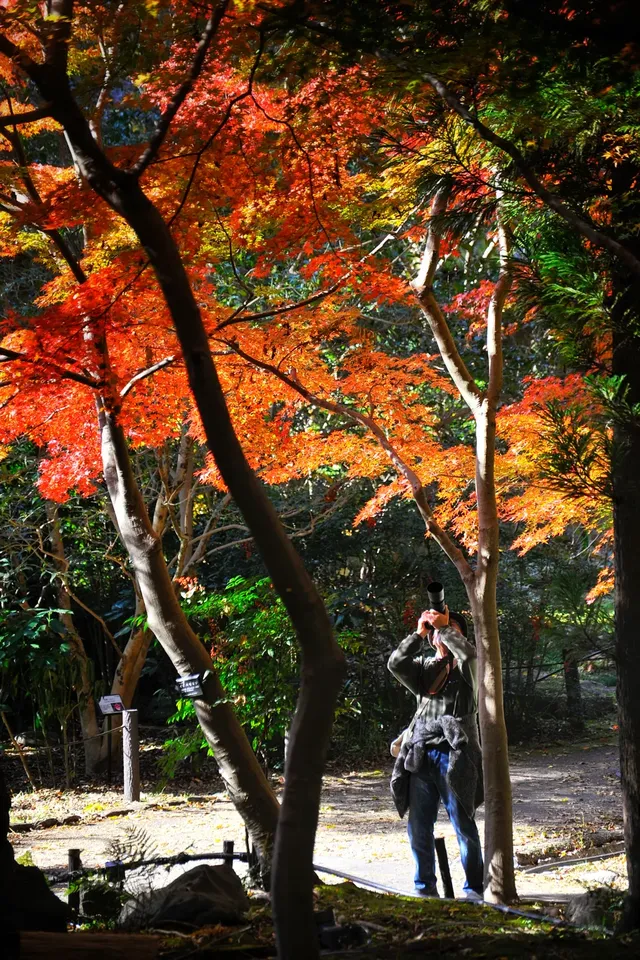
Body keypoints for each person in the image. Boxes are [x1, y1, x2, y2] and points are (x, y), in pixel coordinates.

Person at [388, 604, 484, 900]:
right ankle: (424, 889)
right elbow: (395, 663)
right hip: (420, 755)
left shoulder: (469, 671)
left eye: (451, 630)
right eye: (438, 631)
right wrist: (419, 634)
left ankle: (473, 890)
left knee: (464, 826)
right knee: (418, 828)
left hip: (455, 755)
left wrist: (444, 627)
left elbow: (468, 654)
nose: (442, 635)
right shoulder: (424, 671)